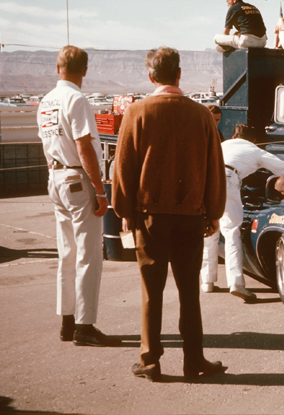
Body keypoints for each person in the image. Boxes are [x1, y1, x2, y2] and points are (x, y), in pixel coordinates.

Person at [111, 46, 227, 382]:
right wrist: (214, 211)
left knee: (152, 290)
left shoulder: (137, 112)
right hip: (192, 216)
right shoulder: (202, 115)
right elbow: (213, 168)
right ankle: (194, 361)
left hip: (149, 217)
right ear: (179, 74)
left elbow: (124, 167)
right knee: (190, 292)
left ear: (151, 76)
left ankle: (150, 361)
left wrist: (125, 210)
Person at [37, 45, 120, 348]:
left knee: (67, 254)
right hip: (76, 179)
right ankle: (85, 326)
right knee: (88, 255)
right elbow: (84, 146)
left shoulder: (46, 102)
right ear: (84, 70)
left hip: (55, 178)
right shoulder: (76, 99)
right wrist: (99, 191)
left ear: (57, 68)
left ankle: (67, 321)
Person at [201, 124, 284, 301]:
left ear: (234, 137)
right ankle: (236, 283)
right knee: (232, 231)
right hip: (228, 178)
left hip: (204, 178)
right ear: (254, 140)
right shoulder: (255, 150)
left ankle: (207, 282)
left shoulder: (223, 145)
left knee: (210, 230)